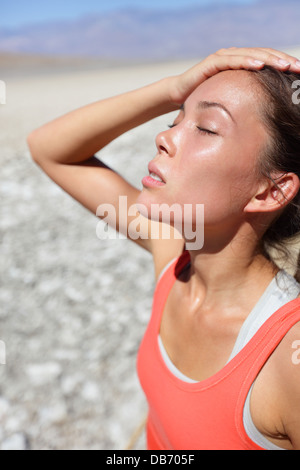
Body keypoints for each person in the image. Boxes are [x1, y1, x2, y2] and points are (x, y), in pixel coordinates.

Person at [27, 47, 300, 450]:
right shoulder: (173, 256)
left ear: (271, 190)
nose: (164, 136)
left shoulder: (283, 357)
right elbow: (49, 149)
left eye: (206, 128)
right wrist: (174, 88)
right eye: (176, 119)